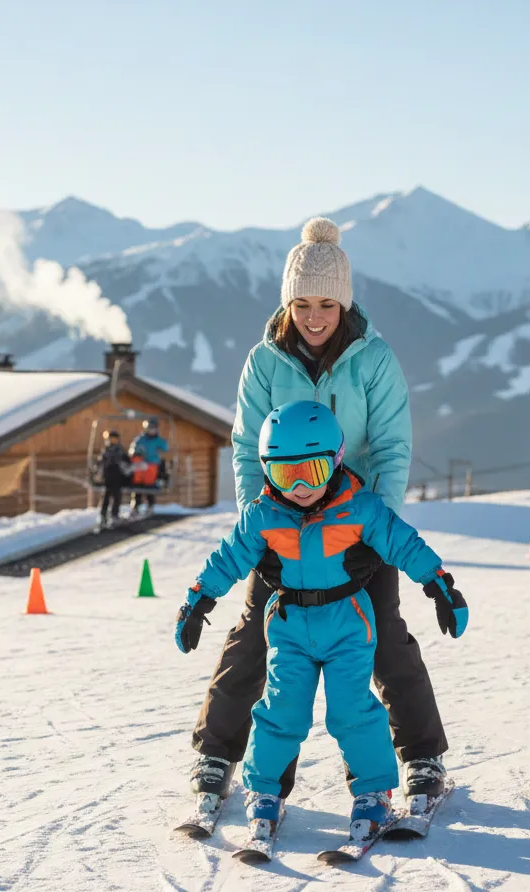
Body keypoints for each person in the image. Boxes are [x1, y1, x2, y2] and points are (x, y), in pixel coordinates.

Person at [188, 216, 450, 807]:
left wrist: (370, 533)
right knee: (254, 635)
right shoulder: (264, 362)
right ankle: (216, 755)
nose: (313, 317)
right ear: (287, 304)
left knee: (383, 635)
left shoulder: (372, 359)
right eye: (302, 303)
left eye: (326, 304)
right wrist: (260, 529)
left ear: (344, 304)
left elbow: (390, 448)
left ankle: (424, 756)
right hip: (282, 524)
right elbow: (246, 446)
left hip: (356, 522)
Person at [175, 402, 468, 838]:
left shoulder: (361, 508)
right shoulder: (262, 516)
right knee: (279, 711)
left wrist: (439, 585)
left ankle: (373, 793)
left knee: (352, 711)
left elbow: (404, 544)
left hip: (348, 625)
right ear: (266, 471)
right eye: (283, 474)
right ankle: (265, 792)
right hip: (289, 628)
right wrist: (197, 601)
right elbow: (227, 559)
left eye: (310, 471)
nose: (299, 487)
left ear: (335, 461)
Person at [128, 417, 169, 516]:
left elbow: (165, 447)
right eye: (150, 428)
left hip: (152, 465)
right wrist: (136, 452)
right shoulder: (140, 440)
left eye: (154, 428)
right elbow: (132, 449)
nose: (152, 430)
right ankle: (135, 507)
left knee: (149, 485)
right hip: (141, 465)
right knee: (137, 485)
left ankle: (150, 506)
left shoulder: (158, 440)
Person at [96, 430, 128, 528]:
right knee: (105, 496)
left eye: (114, 439)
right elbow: (100, 463)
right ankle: (103, 515)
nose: (113, 441)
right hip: (107, 478)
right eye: (111, 439)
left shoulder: (120, 450)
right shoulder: (105, 451)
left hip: (117, 477)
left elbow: (127, 461)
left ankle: (114, 515)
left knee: (116, 497)